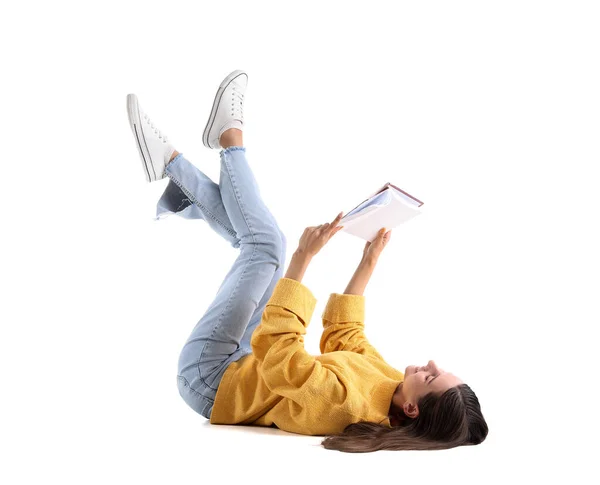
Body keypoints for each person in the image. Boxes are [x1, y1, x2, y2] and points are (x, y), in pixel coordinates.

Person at [126, 69, 488, 453]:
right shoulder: (393, 384)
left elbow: (281, 353)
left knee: (267, 247)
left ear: (412, 409)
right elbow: (346, 338)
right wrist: (368, 262)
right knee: (261, 246)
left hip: (211, 379)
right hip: (248, 363)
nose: (431, 364)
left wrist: (304, 258)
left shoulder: (343, 405)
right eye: (441, 369)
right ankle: (172, 167)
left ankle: (227, 141)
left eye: (433, 378)